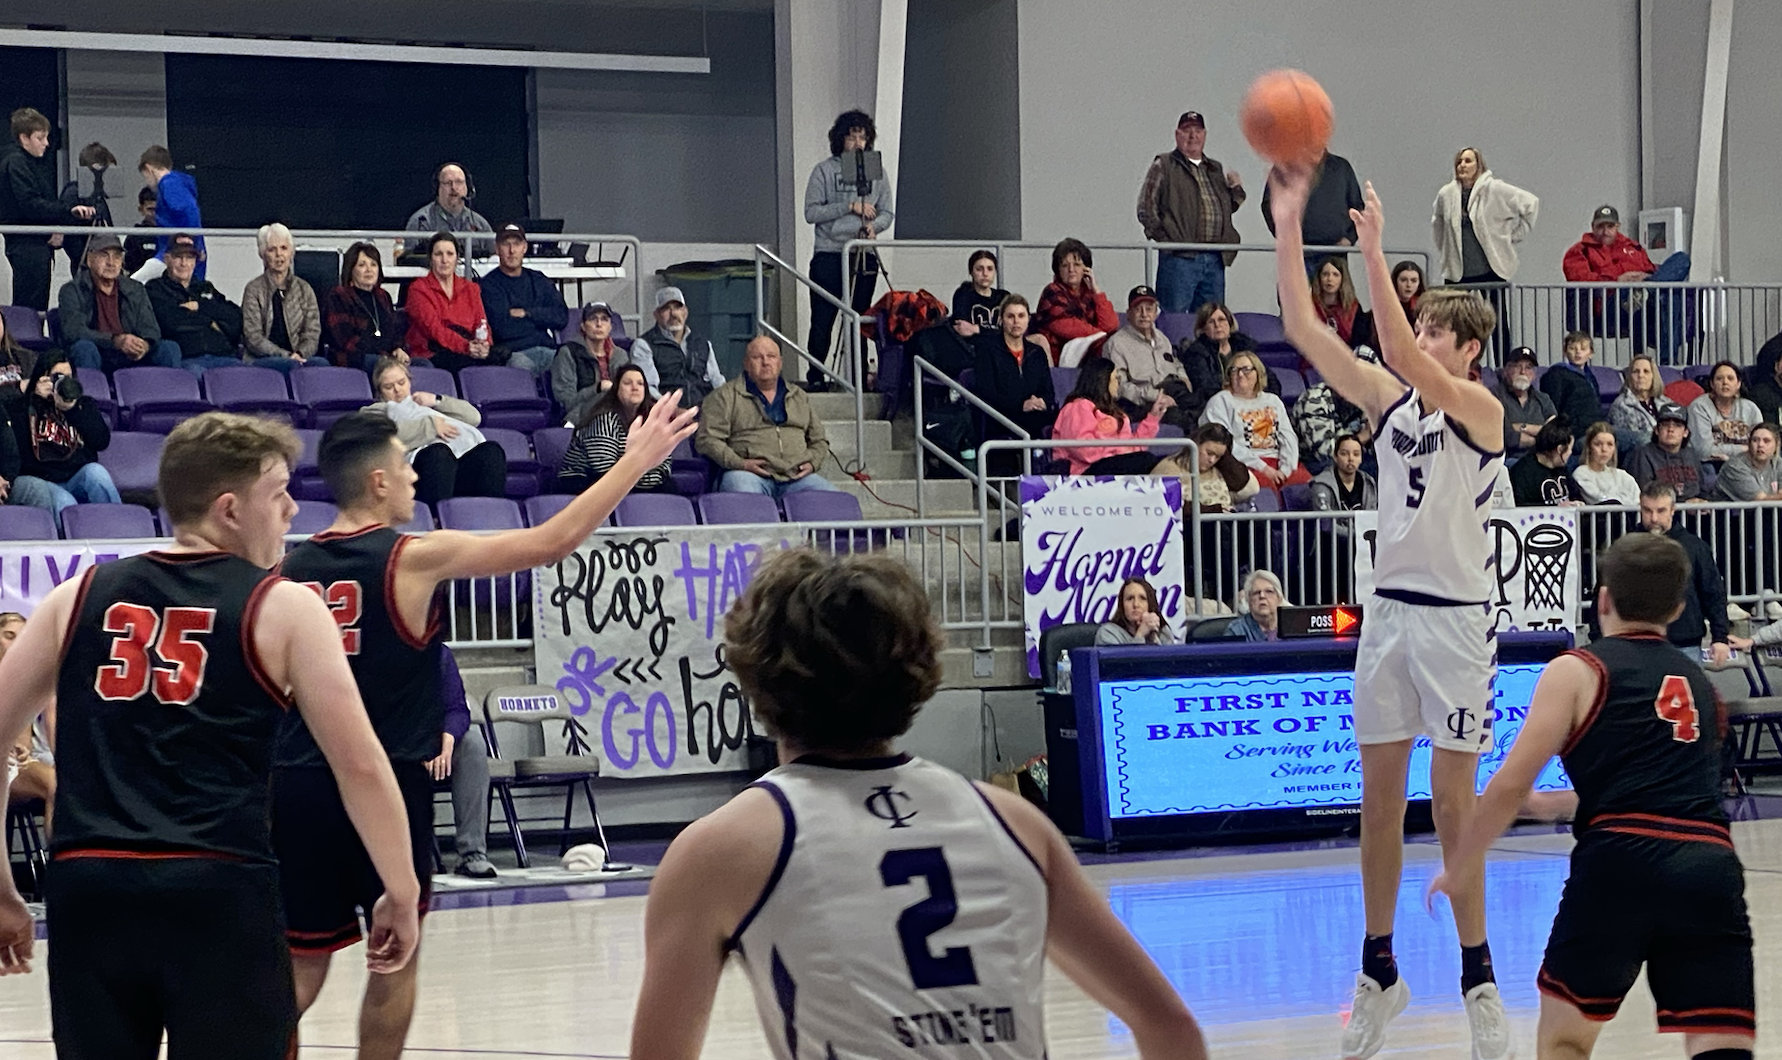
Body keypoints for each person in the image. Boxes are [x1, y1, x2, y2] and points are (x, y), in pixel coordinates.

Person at [628, 548, 1209, 1060]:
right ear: (916, 668)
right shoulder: (1013, 822)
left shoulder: (721, 849)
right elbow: (1171, 1026)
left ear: (757, 678)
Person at [271, 396, 696, 1058]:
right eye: (406, 465)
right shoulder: (413, 557)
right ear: (378, 481)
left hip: (297, 784)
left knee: (296, 972)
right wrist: (632, 462)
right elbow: (551, 541)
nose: (416, 476)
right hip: (386, 788)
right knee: (395, 958)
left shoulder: (290, 570)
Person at [0, 411, 421, 1057]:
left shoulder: (77, 595)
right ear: (230, 509)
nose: (291, 511)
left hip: (92, 888)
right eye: (278, 493)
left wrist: (2, 887)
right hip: (217, 886)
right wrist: (401, 886)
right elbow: (360, 766)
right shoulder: (285, 605)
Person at [1271, 166, 1513, 1060]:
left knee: (1452, 808)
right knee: (1378, 804)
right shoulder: (1391, 402)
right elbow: (1305, 329)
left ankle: (1480, 982)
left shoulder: (1481, 409)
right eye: (1425, 325)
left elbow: (1402, 355)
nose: (1423, 337)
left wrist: (1373, 250)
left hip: (1456, 620)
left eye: (1438, 329)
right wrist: (1289, 229)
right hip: (1388, 615)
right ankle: (1379, 970)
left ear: (1468, 349)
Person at [1429, 532, 1752, 1060]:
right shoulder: (1704, 685)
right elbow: (1664, 792)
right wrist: (1547, 807)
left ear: (1602, 599)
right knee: (1720, 1043)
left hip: (1621, 863)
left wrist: (1461, 864)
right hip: (1708, 867)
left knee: (1566, 1040)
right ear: (1677, 609)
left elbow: (1509, 782)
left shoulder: (1578, 670)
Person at [804, 110, 892, 389]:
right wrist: (849, 206)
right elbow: (811, 212)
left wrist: (874, 227)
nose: (857, 143)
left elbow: (888, 212)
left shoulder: (877, 173)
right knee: (823, 319)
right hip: (829, 254)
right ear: (841, 139)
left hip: (863, 253)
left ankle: (859, 377)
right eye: (852, 137)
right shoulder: (823, 171)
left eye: (862, 137)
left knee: (859, 318)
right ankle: (816, 376)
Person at [697, 336, 837, 498]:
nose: (765, 362)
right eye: (757, 357)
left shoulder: (798, 396)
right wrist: (740, 463)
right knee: (742, 493)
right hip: (747, 474)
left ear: (780, 362)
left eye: (771, 356)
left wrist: (813, 463)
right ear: (746, 364)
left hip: (797, 477)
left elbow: (819, 440)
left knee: (835, 501)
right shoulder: (724, 396)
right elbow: (707, 439)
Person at [1136, 110, 1246, 313]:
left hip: (1215, 259)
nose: (1193, 136)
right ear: (1177, 135)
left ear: (1205, 135)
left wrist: (1237, 190)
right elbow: (1145, 208)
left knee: (1211, 320)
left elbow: (1224, 210)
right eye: (1187, 131)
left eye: (1197, 131)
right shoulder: (1164, 165)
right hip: (1179, 259)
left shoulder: (1214, 169)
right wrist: (1167, 241)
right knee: (1173, 318)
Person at [366, 356, 505, 504]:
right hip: (418, 471)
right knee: (439, 453)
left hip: (457, 465)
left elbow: (474, 417)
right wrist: (430, 426)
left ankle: (490, 512)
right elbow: (380, 438)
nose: (397, 390)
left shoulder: (425, 404)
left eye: (402, 382)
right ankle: (436, 514)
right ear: (379, 392)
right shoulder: (376, 410)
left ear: (409, 381)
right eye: (388, 387)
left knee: (491, 452)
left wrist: (436, 400)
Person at [1561, 205, 1693, 357]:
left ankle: (1667, 363)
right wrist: (1616, 281)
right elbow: (1580, 278)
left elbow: (1650, 267)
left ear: (1617, 226)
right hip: (1610, 304)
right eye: (1600, 226)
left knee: (1680, 263)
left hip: (1646, 301)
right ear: (1592, 227)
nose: (1605, 231)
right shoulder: (1580, 250)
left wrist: (1645, 276)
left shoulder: (1633, 247)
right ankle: (1646, 290)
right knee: (1638, 292)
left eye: (1610, 226)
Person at [9, 352, 120, 529]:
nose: (63, 383)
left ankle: (118, 530)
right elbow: (17, 453)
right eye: (58, 377)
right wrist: (35, 399)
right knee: (65, 502)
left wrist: (72, 409)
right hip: (42, 480)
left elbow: (101, 442)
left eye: (68, 377)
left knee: (97, 473)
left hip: (76, 476)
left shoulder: (84, 405)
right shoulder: (21, 407)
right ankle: (75, 542)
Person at [0, 108, 96, 310]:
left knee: (33, 304)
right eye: (40, 137)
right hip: (27, 244)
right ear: (24, 138)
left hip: (33, 242)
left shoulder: (23, 163)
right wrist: (65, 214)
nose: (46, 143)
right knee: (30, 305)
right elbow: (30, 205)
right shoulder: (17, 163)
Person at [1631, 482, 1731, 661]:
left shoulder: (1695, 547)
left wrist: (1720, 637)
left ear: (1672, 510)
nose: (1654, 518)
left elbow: (1713, 593)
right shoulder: (1626, 548)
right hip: (1636, 645)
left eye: (1661, 511)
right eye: (1647, 510)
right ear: (1640, 508)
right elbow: (1604, 593)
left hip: (1685, 644)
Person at [59, 234, 181, 373]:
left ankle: (172, 388)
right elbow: (74, 331)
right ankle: (91, 387)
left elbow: (151, 328)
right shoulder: (72, 290)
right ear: (90, 260)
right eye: (104, 255)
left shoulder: (135, 288)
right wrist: (115, 341)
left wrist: (145, 345)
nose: (111, 262)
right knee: (84, 348)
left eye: (117, 256)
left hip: (130, 353)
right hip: (99, 350)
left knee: (169, 348)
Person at [969, 294, 1057, 472]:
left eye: (1021, 316)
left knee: (1061, 418)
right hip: (1001, 417)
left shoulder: (1037, 353)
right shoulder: (987, 351)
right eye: (1010, 316)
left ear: (1028, 320)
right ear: (1001, 320)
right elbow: (986, 392)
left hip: (1034, 415)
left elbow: (1048, 390)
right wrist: (1020, 405)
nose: (1016, 321)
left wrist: (1042, 402)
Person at [557, 363, 674, 493]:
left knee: (669, 487)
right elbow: (605, 470)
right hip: (583, 480)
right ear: (616, 389)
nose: (635, 388)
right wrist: (641, 478)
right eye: (628, 383)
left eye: (640, 384)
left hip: (628, 479)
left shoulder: (650, 420)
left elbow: (663, 464)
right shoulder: (604, 419)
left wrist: (645, 479)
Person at [1430, 147, 1539, 287]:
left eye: (1468, 161)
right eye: (1459, 162)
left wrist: (1511, 237)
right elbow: (1438, 225)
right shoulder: (1446, 194)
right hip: (1456, 273)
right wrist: (1447, 250)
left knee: (1493, 302)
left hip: (1491, 270)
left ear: (1478, 165)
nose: (1462, 165)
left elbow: (1531, 204)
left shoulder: (1495, 189)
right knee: (1453, 302)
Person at [431, 645, 496, 878]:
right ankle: (421, 854)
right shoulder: (379, 654)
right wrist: (417, 747)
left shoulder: (440, 654)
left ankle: (472, 853)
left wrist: (447, 740)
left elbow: (458, 709)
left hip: (438, 740)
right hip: (398, 743)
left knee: (473, 744)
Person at [147, 232, 244, 377]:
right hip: (188, 360)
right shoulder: (155, 289)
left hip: (223, 356)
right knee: (199, 376)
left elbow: (234, 317)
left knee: (248, 377)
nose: (184, 263)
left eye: (189, 258)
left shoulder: (205, 287)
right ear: (167, 259)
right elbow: (169, 323)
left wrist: (200, 307)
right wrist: (211, 321)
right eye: (178, 257)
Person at [1198, 351, 1300, 488]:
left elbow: (1288, 438)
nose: (1240, 374)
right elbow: (1222, 443)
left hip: (1277, 462)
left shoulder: (1273, 401)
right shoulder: (1220, 401)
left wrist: (1286, 470)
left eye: (1246, 369)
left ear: (1258, 373)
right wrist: (1263, 468)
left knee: (1304, 485)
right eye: (1234, 370)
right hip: (1241, 465)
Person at [1051, 357, 1165, 476]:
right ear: (1103, 381)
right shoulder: (1078, 406)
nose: (1118, 383)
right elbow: (1083, 450)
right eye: (1116, 378)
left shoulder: (1116, 412)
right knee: (1146, 460)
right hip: (1085, 473)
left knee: (1163, 463)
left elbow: (1132, 447)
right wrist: (1119, 450)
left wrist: (1153, 417)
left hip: (1114, 463)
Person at [478, 223, 567, 376]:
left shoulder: (538, 280)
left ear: (524, 247)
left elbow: (561, 317)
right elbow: (502, 329)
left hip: (548, 350)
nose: (512, 250)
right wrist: (541, 321)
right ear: (497, 249)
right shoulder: (489, 285)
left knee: (571, 366)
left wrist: (527, 313)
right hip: (515, 353)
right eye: (506, 244)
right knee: (520, 368)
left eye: (516, 244)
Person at [404, 232, 496, 374]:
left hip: (468, 350)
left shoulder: (471, 288)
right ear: (430, 258)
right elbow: (434, 330)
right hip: (433, 352)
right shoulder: (418, 289)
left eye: (450, 254)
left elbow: (482, 323)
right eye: (438, 254)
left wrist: (484, 345)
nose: (444, 260)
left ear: (457, 258)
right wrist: (466, 347)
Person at [628, 286, 726, 409]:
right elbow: (648, 388)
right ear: (656, 315)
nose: (673, 314)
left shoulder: (703, 344)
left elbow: (717, 382)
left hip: (704, 412)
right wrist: (673, 410)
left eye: (677, 308)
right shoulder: (643, 345)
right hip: (664, 413)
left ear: (685, 312)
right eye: (666, 309)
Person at [1103, 285, 1187, 426]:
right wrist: (1156, 396)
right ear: (1128, 313)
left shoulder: (1162, 339)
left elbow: (1175, 363)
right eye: (1138, 309)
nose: (1144, 314)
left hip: (1173, 392)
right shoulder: (1116, 344)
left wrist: (1184, 377)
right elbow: (1119, 387)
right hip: (1139, 402)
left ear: (1155, 313)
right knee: (1178, 417)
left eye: (1149, 309)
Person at [241, 223, 320, 373]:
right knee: (289, 366)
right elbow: (253, 337)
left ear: (291, 252)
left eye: (284, 248)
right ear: (263, 255)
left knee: (322, 365)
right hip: (263, 358)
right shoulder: (253, 289)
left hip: (299, 357)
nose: (279, 254)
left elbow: (312, 333)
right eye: (272, 249)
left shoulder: (304, 289)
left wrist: (300, 354)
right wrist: (286, 356)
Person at [1, 612, 54, 835]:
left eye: (22, 637)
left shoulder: (31, 678)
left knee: (71, 784)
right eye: (9, 635)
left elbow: (24, 748)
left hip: (19, 763)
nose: (16, 644)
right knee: (56, 784)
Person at [323, 241, 407, 372]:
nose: (369, 270)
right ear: (351, 269)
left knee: (420, 363)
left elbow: (394, 332)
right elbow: (345, 341)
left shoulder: (383, 296)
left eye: (373, 264)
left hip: (384, 357)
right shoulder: (339, 295)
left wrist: (398, 349)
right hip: (353, 360)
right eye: (362, 265)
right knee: (384, 366)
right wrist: (383, 352)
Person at [1174, 301, 1262, 424]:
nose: (1217, 325)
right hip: (1217, 408)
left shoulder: (1244, 346)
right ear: (1203, 328)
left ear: (1229, 323)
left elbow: (1265, 376)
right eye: (1211, 322)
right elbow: (1205, 387)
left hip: (1251, 403)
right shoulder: (1196, 353)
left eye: (1222, 320)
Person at [1033, 238, 1119, 364]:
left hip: (1089, 355)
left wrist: (1096, 291)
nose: (1071, 269)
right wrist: (1100, 334)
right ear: (1058, 270)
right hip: (1059, 359)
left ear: (1086, 269)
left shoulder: (1090, 294)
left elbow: (1111, 325)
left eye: (1077, 265)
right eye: (1065, 265)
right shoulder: (1052, 292)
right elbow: (1066, 327)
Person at [1261, 148, 1363, 252]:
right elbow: (1268, 205)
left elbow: (1358, 208)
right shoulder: (1286, 167)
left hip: (1336, 252)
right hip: (1298, 251)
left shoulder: (1341, 167)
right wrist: (1286, 237)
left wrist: (1349, 239)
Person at [1155, 421, 1258, 513]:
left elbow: (1246, 485)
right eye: (1209, 453)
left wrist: (1224, 454)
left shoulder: (1218, 469)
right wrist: (1213, 510)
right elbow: (1166, 503)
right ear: (1196, 444)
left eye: (1218, 456)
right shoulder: (1168, 469)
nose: (1212, 460)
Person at [135, 145, 203, 281]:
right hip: (178, 251)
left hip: (174, 252)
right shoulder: (178, 183)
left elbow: (190, 211)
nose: (147, 183)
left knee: (135, 283)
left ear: (149, 169)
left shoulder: (169, 184)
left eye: (145, 177)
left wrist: (193, 242)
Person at [403, 163, 493, 257]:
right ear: (437, 188)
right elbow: (410, 259)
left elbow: (494, 258)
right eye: (448, 183)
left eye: (459, 182)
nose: (453, 187)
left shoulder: (480, 224)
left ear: (468, 188)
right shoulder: (420, 221)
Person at [551, 301, 616, 426]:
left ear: (610, 326)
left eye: (604, 319)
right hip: (578, 420)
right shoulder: (568, 353)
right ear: (583, 326)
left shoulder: (620, 355)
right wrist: (597, 389)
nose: (599, 324)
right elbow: (566, 402)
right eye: (593, 319)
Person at [1687, 361, 1761, 464]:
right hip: (1711, 465)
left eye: (1730, 378)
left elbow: (1761, 445)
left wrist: (1724, 453)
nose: (1725, 382)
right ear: (1712, 384)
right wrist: (1744, 449)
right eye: (1719, 379)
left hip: (1746, 464)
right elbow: (1704, 451)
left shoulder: (1751, 408)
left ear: (1738, 384)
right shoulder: (1699, 407)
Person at [1490, 346, 1557, 461]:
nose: (1523, 372)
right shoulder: (1494, 396)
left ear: (1534, 374)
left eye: (1528, 367)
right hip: (1508, 460)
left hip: (1541, 460)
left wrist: (1521, 427)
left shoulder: (1543, 398)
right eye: (1517, 366)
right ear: (1506, 371)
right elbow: (1507, 437)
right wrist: (1541, 436)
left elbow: (1555, 433)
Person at [1626, 406, 1703, 503]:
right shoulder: (1643, 454)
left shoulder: (1691, 454)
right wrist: (1683, 504)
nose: (1670, 429)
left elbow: (1703, 489)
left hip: (1695, 510)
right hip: (1659, 509)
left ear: (1685, 432)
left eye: (1677, 425)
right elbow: (1646, 493)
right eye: (1665, 425)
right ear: (1656, 430)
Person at [1540, 331, 1604, 447]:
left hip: (1597, 429)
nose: (1578, 352)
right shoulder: (1556, 374)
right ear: (1565, 351)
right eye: (1572, 348)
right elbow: (1553, 407)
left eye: (1583, 349)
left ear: (1591, 353)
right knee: (1636, 441)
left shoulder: (1590, 376)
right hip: (1575, 434)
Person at [1510, 420, 1585, 507]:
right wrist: (1556, 508)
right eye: (1569, 449)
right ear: (1560, 449)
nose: (1570, 453)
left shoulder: (1562, 469)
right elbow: (1520, 506)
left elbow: (1577, 496)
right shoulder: (1522, 472)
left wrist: (1579, 503)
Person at [1608, 353, 1674, 450]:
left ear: (1653, 376)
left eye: (1646, 371)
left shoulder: (1665, 402)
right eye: (1636, 371)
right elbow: (1634, 440)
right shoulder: (1621, 405)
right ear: (1629, 377)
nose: (1641, 375)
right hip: (1640, 454)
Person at [1312, 254, 1375, 350]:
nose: (1330, 279)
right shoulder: (1309, 305)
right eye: (1325, 274)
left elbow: (1358, 341)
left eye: (1335, 275)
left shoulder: (1353, 308)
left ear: (1343, 279)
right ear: (1319, 278)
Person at [1572, 422, 1640, 505]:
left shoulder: (1623, 476)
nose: (1604, 449)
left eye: (1610, 444)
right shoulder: (1581, 474)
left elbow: (1638, 500)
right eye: (1598, 444)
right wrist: (1625, 500)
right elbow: (1601, 501)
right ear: (1589, 447)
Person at [1713, 421, 1782, 502]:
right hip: (1730, 510)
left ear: (1777, 445)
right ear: (1749, 444)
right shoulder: (1735, 467)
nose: (1760, 445)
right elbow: (1760, 500)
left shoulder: (1778, 463)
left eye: (1766, 441)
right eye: (1755, 440)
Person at [1096, 576, 1176, 646]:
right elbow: (1125, 659)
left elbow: (1169, 658)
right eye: (1130, 598)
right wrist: (1140, 634)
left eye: (1142, 598)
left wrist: (1153, 637)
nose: (1136, 604)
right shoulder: (1107, 633)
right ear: (1122, 605)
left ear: (1150, 604)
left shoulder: (1163, 631)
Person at [1311, 434, 1378, 511]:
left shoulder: (1368, 482)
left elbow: (1372, 514)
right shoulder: (1322, 484)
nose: (1351, 458)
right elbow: (1324, 517)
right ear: (1335, 456)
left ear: (1361, 458)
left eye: (1356, 454)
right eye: (1344, 454)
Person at [950, 249, 1007, 337]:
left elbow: (1011, 332)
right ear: (971, 272)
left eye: (990, 269)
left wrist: (976, 329)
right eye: (979, 269)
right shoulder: (963, 296)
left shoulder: (1004, 297)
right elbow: (963, 330)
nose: (985, 274)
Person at [1225, 569, 1284, 641]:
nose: (1262, 596)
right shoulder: (1236, 630)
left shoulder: (1291, 626)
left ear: (1279, 598)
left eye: (1269, 591)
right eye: (1256, 593)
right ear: (1248, 599)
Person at [123, 185, 159, 275]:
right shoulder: (135, 235)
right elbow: (128, 266)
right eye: (150, 209)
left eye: (159, 210)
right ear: (141, 210)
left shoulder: (171, 234)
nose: (155, 214)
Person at [1389, 261, 1425, 325]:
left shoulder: (1424, 308)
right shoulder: (1385, 306)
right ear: (1395, 282)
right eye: (1403, 280)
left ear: (1419, 283)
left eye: (1414, 281)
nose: (1409, 285)